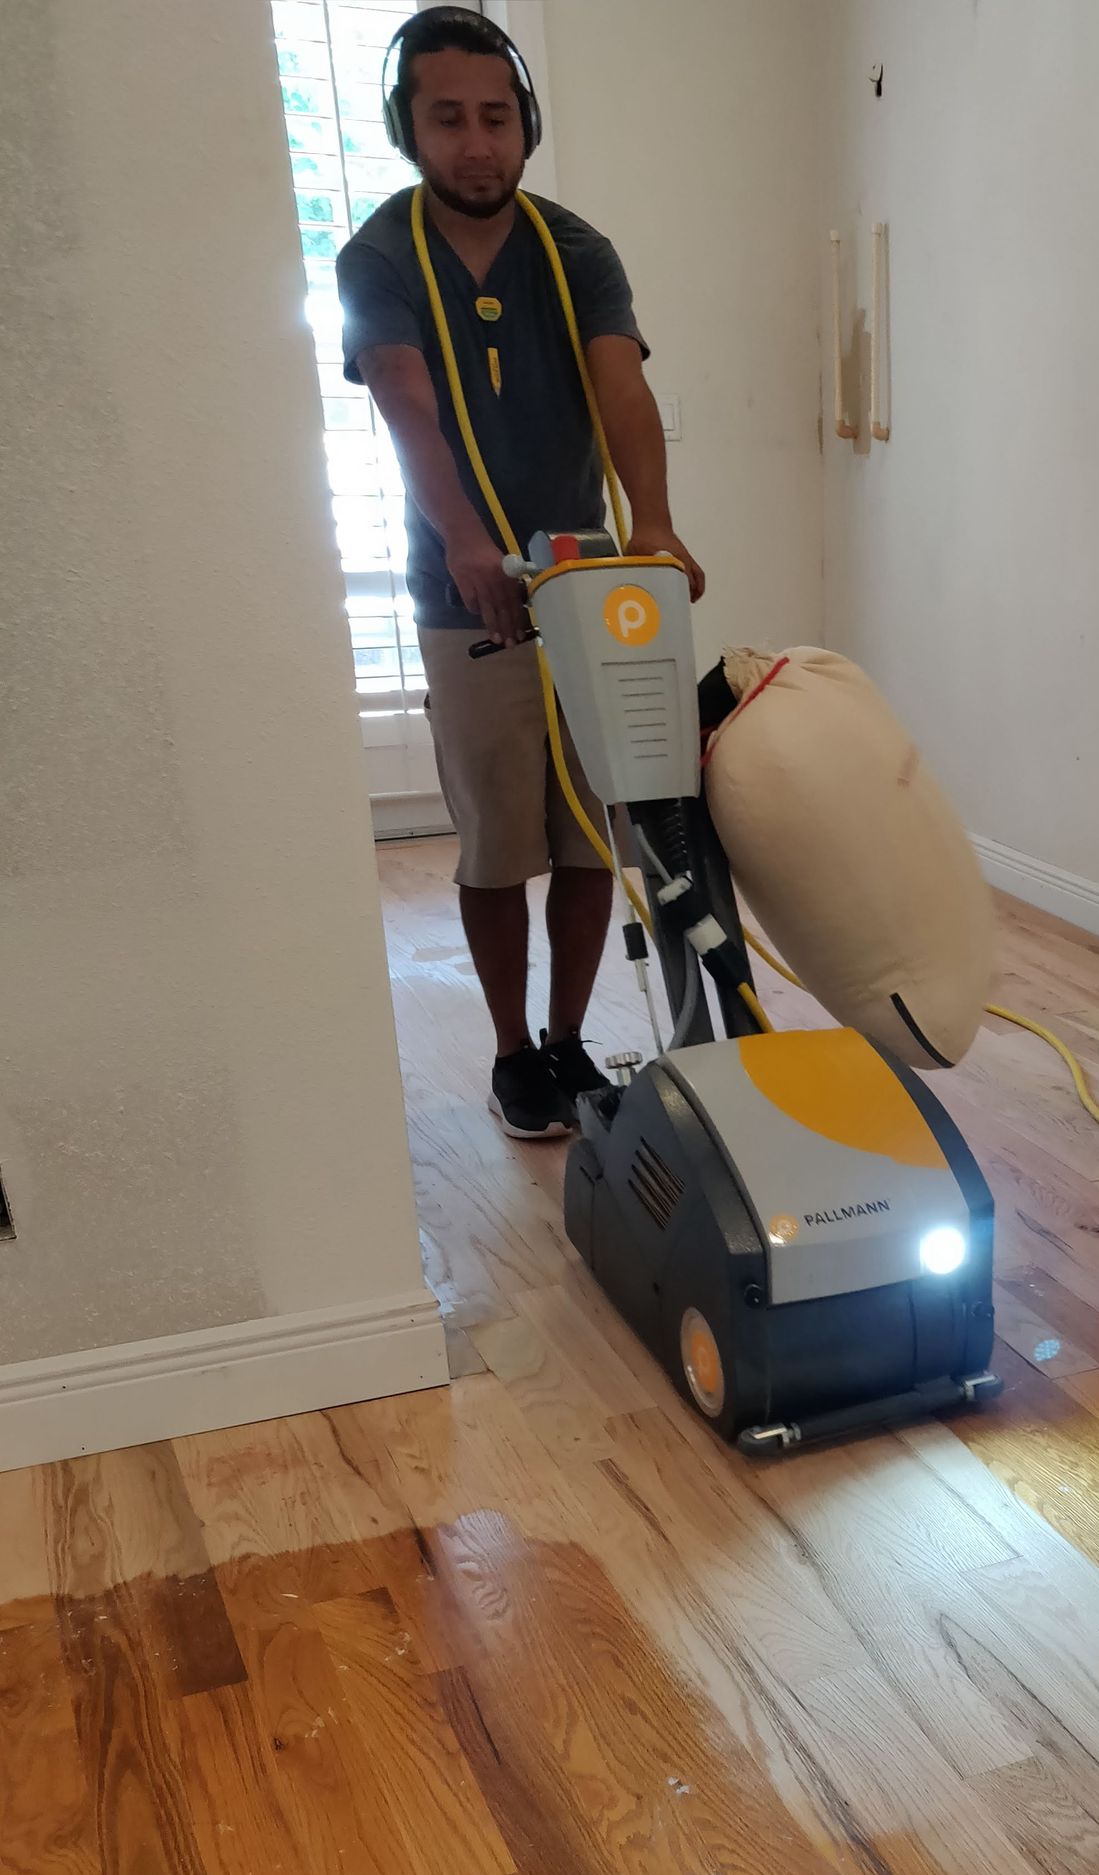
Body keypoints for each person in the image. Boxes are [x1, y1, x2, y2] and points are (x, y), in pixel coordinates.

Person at [335, 6, 704, 1137]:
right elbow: (407, 402)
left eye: (496, 117)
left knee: (590, 834)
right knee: (499, 845)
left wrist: (655, 523)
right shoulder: (380, 258)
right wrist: (460, 539)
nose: (476, 143)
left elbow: (621, 386)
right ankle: (510, 1053)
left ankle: (567, 1037)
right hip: (469, 600)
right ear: (409, 128)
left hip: (585, 592)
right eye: (448, 118)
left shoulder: (575, 251)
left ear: (526, 126)